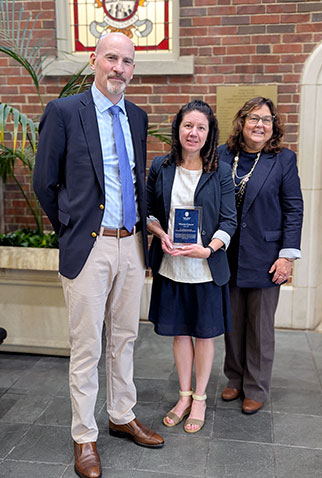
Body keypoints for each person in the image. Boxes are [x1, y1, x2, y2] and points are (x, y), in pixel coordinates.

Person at [33, 32, 164, 478]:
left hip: (131, 245)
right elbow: (44, 183)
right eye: (112, 58)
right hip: (89, 245)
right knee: (87, 345)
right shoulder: (65, 112)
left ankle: (121, 415)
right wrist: (71, 229)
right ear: (95, 60)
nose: (119, 68)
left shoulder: (138, 116)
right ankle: (84, 435)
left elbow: (135, 178)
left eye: (127, 61)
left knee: (125, 338)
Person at [146, 100, 237, 433]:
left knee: (205, 335)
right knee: (180, 333)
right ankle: (183, 396)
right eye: (188, 126)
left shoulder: (220, 171)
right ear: (178, 128)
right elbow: (149, 211)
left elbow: (229, 220)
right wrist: (159, 232)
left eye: (201, 127)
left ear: (209, 132)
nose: (193, 133)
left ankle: (199, 398)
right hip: (171, 266)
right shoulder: (161, 166)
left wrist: (209, 249)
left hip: (206, 269)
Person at [218, 97, 303, 415]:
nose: (259, 125)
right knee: (233, 322)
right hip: (227, 254)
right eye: (254, 118)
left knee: (260, 326)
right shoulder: (224, 156)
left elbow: (294, 208)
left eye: (266, 120)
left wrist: (287, 256)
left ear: (273, 127)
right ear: (241, 122)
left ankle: (256, 387)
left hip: (267, 256)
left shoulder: (283, 160)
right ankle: (235, 378)